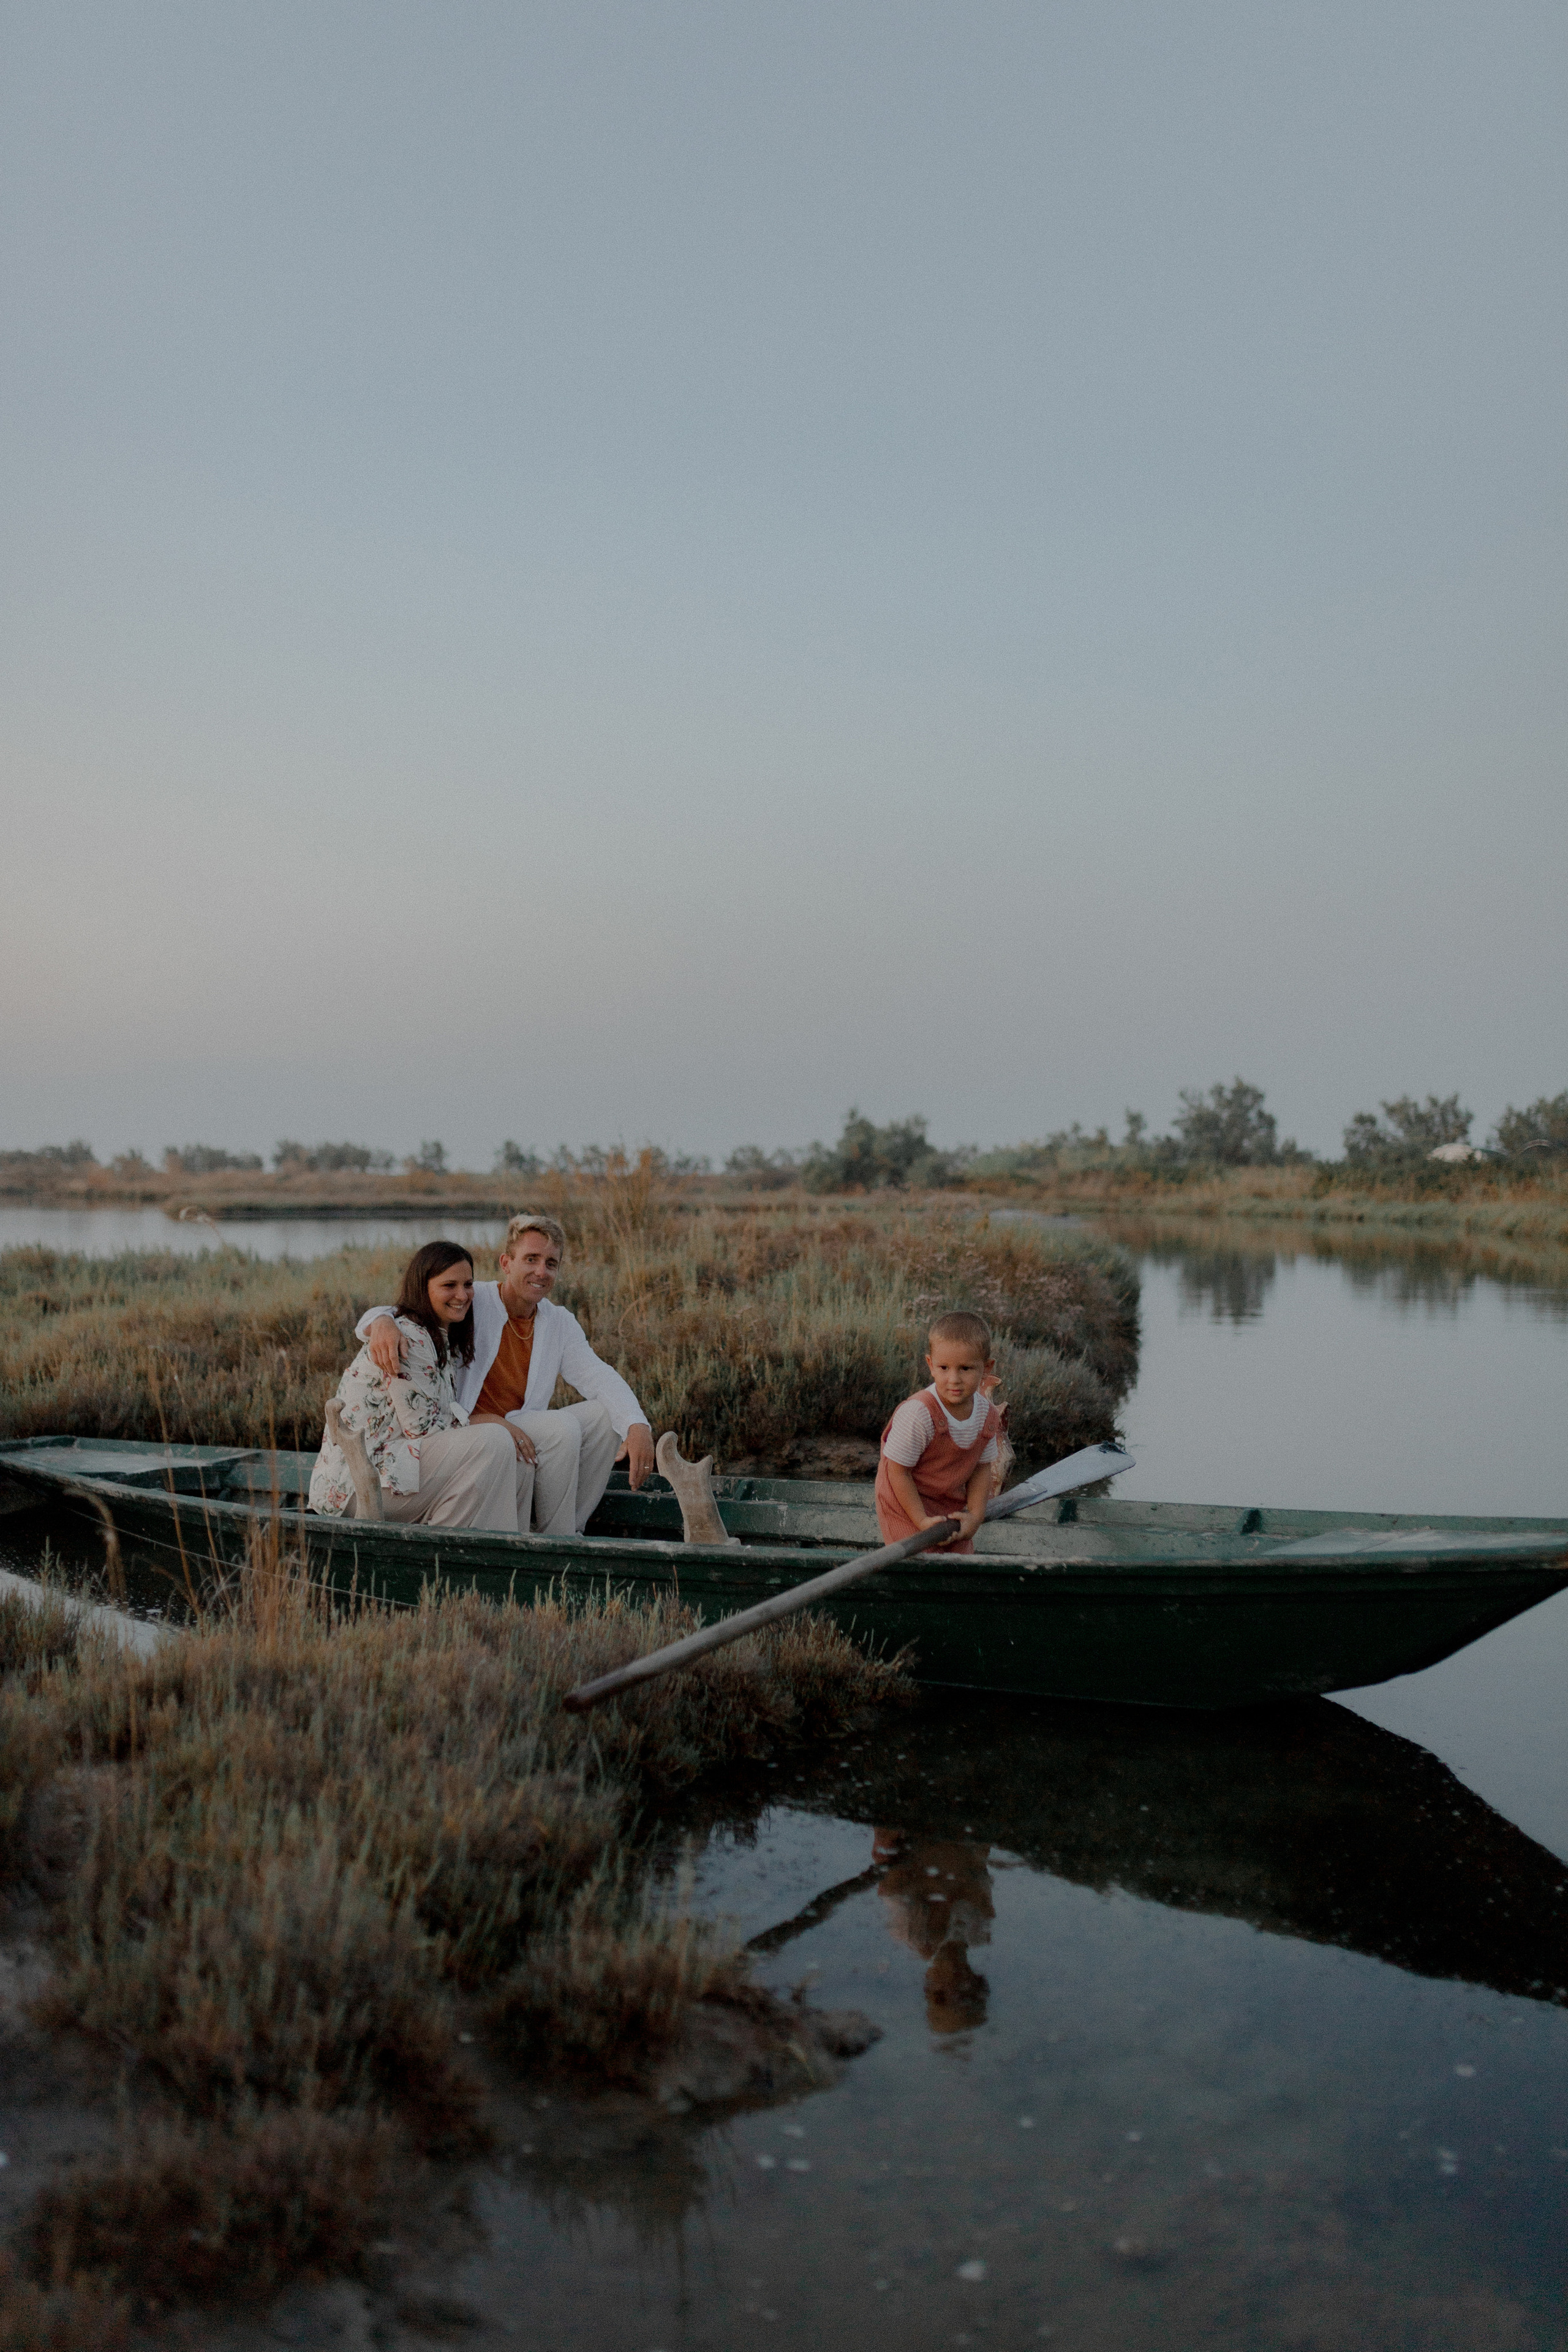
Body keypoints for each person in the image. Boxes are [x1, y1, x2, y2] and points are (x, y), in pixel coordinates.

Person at [356, 1212, 654, 1538]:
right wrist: (380, 1322)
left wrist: (636, 1423)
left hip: (519, 1423)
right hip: (468, 1425)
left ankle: (562, 1532)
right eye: (531, 1259)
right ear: (506, 1262)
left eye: (551, 1263)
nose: (541, 1271)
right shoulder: (472, 1299)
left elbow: (598, 1374)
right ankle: (559, 1541)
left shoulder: (558, 1322)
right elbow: (412, 1307)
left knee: (603, 1416)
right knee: (561, 1427)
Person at [309, 1242, 521, 1528]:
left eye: (468, 1284)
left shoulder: (436, 1337)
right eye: (449, 1285)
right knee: (492, 1442)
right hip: (356, 1485)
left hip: (386, 1469)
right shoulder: (410, 1337)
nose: (462, 1295)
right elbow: (424, 1430)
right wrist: (491, 1422)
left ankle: (468, 1547)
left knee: (504, 1453)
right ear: (424, 1289)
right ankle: (442, 1550)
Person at [873, 1310, 1001, 1554]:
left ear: (986, 1368)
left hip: (949, 1502)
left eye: (965, 1369)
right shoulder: (919, 1414)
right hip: (905, 1501)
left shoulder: (987, 1415)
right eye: (944, 1368)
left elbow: (981, 1469)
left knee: (961, 1559)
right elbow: (897, 1472)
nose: (954, 1379)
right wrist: (921, 1520)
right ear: (931, 1365)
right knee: (923, 1559)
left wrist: (975, 1516)